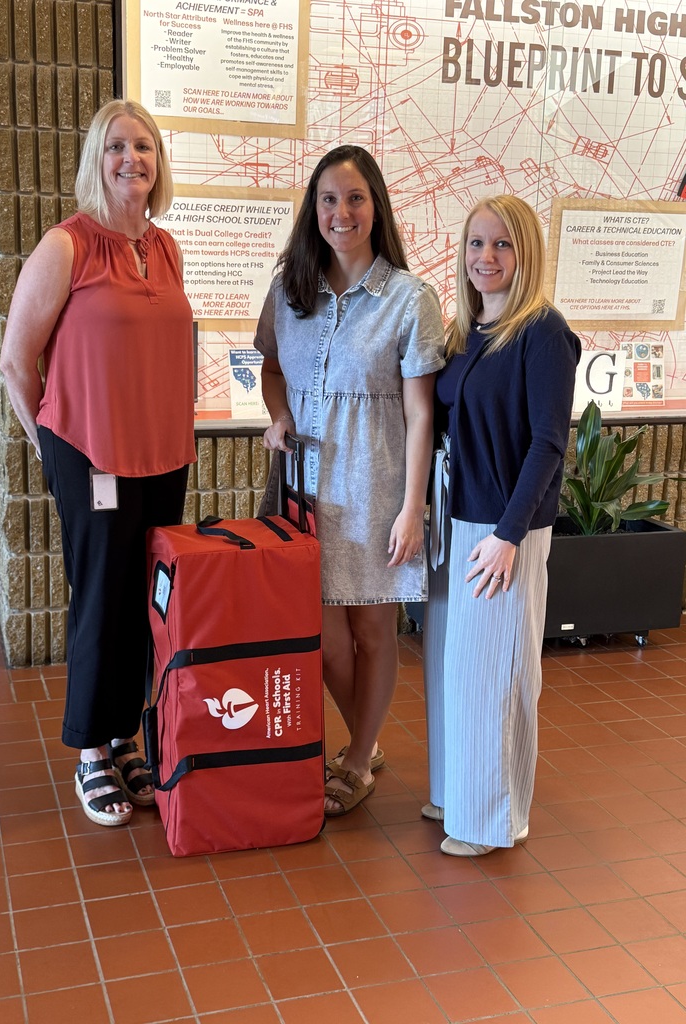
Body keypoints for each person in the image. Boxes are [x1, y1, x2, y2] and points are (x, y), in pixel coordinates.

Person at [0, 99, 195, 827]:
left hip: (161, 457)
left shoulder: (166, 247)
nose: (131, 160)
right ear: (97, 159)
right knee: (101, 598)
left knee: (148, 601)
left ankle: (125, 736)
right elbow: (18, 364)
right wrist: (55, 453)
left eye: (144, 147)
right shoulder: (69, 245)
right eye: (117, 147)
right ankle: (89, 751)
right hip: (94, 459)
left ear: (157, 162)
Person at [254, 145, 445, 816]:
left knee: (372, 633)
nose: (342, 212)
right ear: (314, 210)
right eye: (329, 200)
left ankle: (358, 757)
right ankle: (367, 732)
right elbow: (270, 366)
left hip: (375, 489)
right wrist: (278, 415)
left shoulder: (408, 298)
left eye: (355, 198)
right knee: (325, 639)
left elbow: (422, 412)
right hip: (304, 490)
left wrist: (412, 507)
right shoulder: (289, 288)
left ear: (376, 206)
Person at [422, 195, 580, 855]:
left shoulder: (543, 332)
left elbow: (549, 443)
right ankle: (461, 794)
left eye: (502, 245)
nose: (486, 258)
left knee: (497, 676)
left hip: (503, 529)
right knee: (460, 673)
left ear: (526, 253)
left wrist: (510, 535)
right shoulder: (468, 332)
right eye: (475, 244)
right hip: (460, 523)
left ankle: (493, 820)